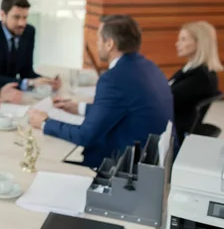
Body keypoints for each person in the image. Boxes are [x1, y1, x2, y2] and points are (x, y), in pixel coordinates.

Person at [28, 15, 174, 168]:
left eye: (99, 39)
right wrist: (79, 108)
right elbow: (121, 110)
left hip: (125, 167)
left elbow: (85, 135)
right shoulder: (150, 67)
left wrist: (45, 123)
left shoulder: (113, 79)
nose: (97, 44)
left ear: (109, 44)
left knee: (43, 161)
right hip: (153, 162)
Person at [0, 0, 60, 91]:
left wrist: (47, 82)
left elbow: (26, 73)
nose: (22, 23)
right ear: (2, 15)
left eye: (25, 17)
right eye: (16, 17)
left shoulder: (28, 32)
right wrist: (30, 83)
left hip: (12, 95)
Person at [170, 21, 222, 141]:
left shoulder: (201, 77)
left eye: (183, 39)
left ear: (199, 43)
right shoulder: (189, 70)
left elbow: (168, 98)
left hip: (175, 133)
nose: (177, 44)